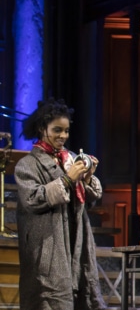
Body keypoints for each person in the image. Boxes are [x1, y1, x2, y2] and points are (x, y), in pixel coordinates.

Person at [14, 98, 106, 310]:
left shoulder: (70, 159)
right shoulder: (27, 165)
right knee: (52, 299)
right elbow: (33, 199)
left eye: (66, 131)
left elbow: (88, 199)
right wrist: (67, 179)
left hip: (75, 239)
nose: (63, 136)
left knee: (82, 296)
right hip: (48, 247)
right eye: (57, 130)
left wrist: (87, 178)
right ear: (41, 128)